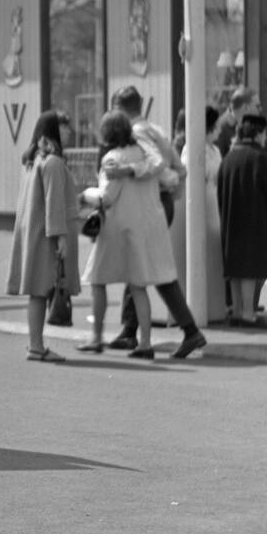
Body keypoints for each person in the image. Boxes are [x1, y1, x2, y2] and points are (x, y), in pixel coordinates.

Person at [105, 86, 206, 359]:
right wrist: (175, 190)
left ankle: (188, 330)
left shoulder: (137, 133)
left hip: (150, 203)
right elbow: (179, 167)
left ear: (120, 107)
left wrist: (130, 170)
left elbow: (158, 163)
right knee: (140, 266)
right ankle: (130, 330)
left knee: (154, 270)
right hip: (160, 202)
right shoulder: (156, 129)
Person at [78, 110, 177, 358]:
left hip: (115, 230)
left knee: (97, 280)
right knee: (138, 285)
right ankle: (145, 343)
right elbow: (159, 166)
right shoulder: (143, 154)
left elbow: (107, 197)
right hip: (141, 228)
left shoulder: (112, 159)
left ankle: (96, 337)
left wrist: (84, 195)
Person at [5, 110, 80, 363]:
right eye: (65, 128)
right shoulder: (54, 163)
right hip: (46, 234)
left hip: (30, 231)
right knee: (40, 290)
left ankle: (35, 344)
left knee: (36, 291)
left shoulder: (33, 160)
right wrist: (61, 237)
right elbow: (54, 203)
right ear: (54, 132)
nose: (69, 132)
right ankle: (36, 346)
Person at [217, 109, 267, 328]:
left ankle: (237, 311)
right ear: (258, 134)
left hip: (230, 220)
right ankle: (248, 314)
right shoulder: (261, 157)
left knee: (236, 269)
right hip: (255, 223)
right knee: (250, 269)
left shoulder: (228, 157)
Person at [169, 106, 227, 325]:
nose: (219, 130)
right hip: (198, 207)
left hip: (214, 205)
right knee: (201, 256)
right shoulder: (191, 149)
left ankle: (214, 306)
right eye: (217, 126)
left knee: (213, 258)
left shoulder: (215, 150)